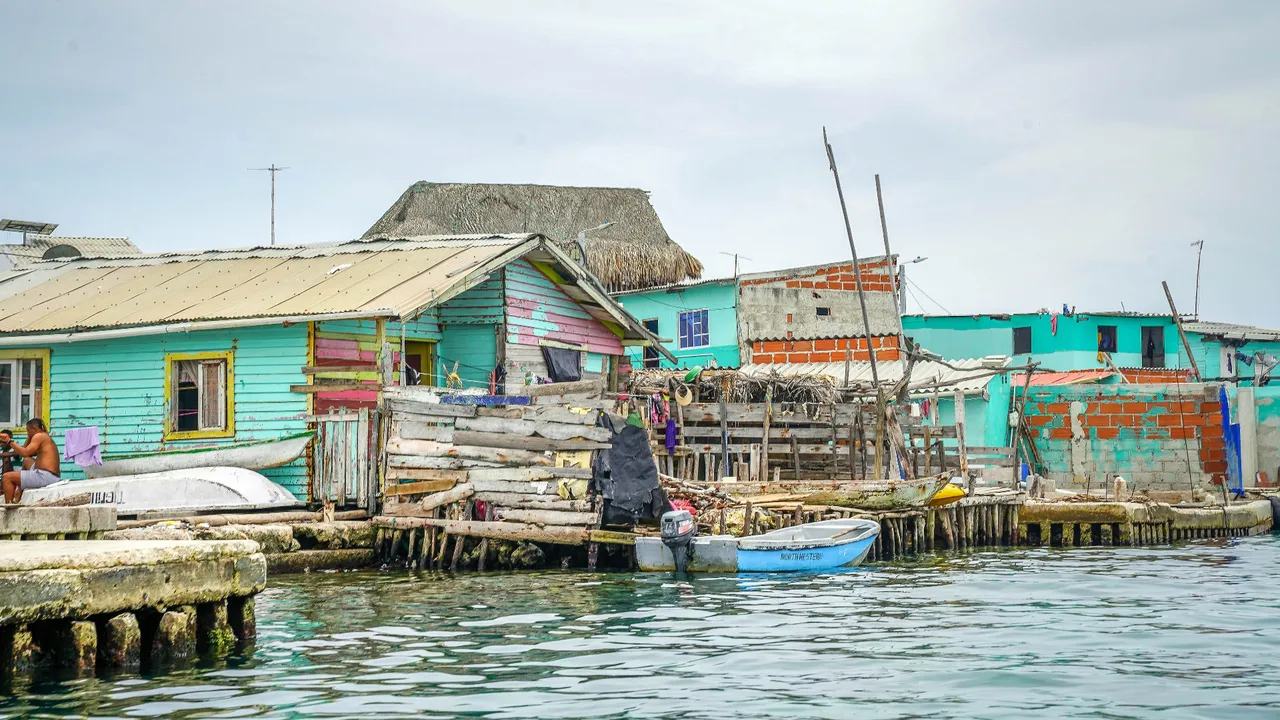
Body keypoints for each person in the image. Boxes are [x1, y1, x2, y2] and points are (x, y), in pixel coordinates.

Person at [2, 418, 61, 504]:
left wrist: (9, 441)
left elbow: (24, 452)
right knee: (27, 460)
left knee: (6, 477)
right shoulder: (44, 436)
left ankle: (8, 505)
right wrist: (29, 436)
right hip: (50, 475)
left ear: (34, 428)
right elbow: (25, 453)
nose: (27, 433)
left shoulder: (39, 436)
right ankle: (20, 490)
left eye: (28, 430)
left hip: (44, 476)